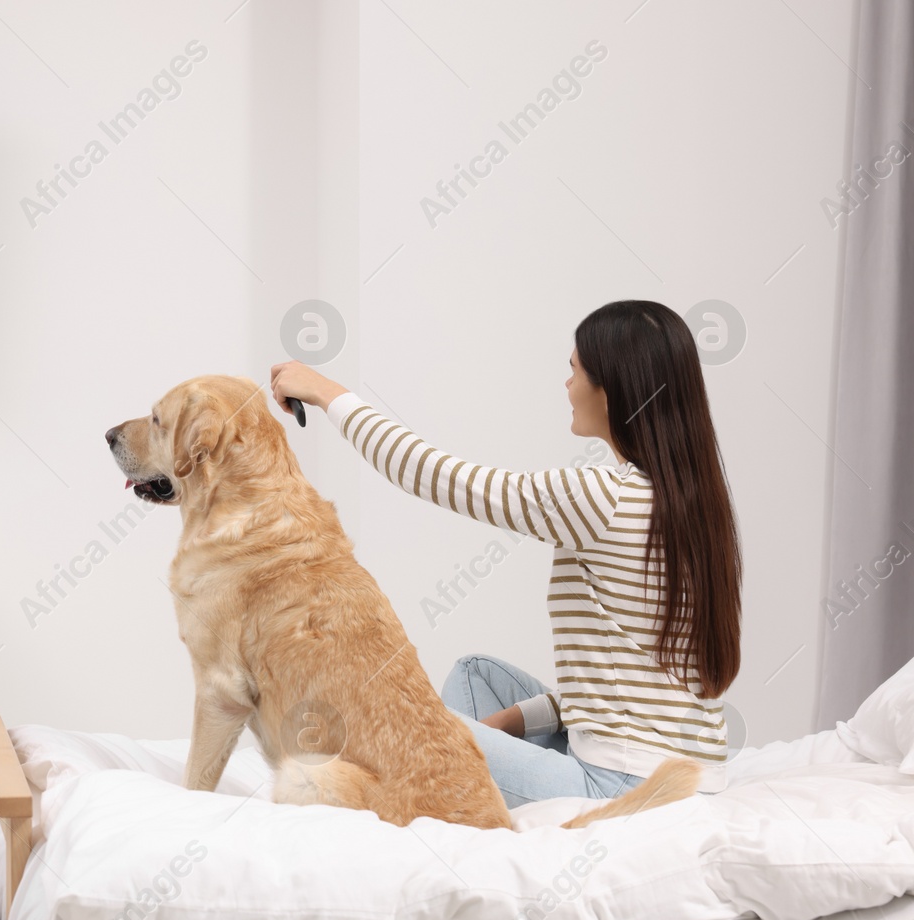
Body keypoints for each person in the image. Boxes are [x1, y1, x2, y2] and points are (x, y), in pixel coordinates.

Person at [270, 299, 742, 805]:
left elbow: (431, 474)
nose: (567, 385)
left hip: (620, 787)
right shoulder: (693, 504)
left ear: (612, 390)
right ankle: (460, 777)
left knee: (401, 719)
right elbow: (635, 683)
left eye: (575, 370)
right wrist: (501, 730)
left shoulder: (604, 497)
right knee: (475, 672)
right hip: (682, 775)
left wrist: (324, 392)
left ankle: (441, 788)